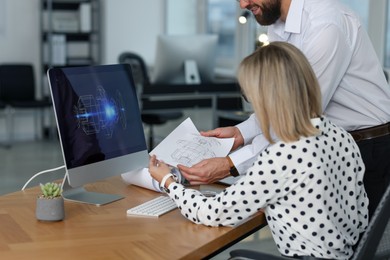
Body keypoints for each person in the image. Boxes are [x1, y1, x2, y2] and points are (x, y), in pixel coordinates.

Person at [149, 42, 368, 259]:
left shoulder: (282, 155)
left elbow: (213, 212)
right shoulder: (341, 137)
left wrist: (169, 182)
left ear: (266, 100)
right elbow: (360, 217)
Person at [177, 0, 390, 218]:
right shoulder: (277, 23)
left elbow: (297, 115)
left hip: (367, 149)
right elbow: (281, 99)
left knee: (356, 249)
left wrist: (231, 164)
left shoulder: (325, 25)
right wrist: (242, 133)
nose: (243, 4)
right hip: (331, 146)